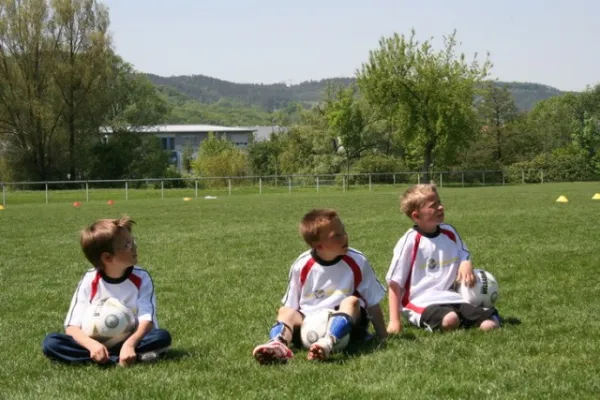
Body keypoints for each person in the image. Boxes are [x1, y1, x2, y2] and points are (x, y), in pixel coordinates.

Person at [252, 208, 387, 364]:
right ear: (319, 246)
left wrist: (382, 335)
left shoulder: (357, 261)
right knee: (285, 311)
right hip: (308, 323)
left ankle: (328, 341)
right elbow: (291, 305)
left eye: (343, 231)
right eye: (336, 236)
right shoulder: (301, 265)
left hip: (349, 326)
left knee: (351, 301)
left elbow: (372, 303)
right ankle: (278, 343)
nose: (345, 237)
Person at [42, 216, 171, 367]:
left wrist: (129, 344)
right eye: (127, 245)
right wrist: (92, 345)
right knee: (51, 342)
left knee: (161, 336)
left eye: (133, 241)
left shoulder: (142, 277)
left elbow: (146, 320)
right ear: (107, 257)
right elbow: (72, 327)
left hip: (132, 339)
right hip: (95, 342)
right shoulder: (89, 279)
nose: (135, 247)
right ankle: (118, 359)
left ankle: (119, 356)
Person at [386, 184, 500, 334]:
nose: (440, 207)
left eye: (439, 202)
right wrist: (394, 321)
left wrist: (466, 263)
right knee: (450, 320)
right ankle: (457, 319)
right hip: (421, 301)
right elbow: (394, 284)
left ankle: (480, 316)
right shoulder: (410, 241)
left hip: (453, 297)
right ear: (416, 216)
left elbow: (463, 253)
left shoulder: (449, 232)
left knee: (489, 324)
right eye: (434, 206)